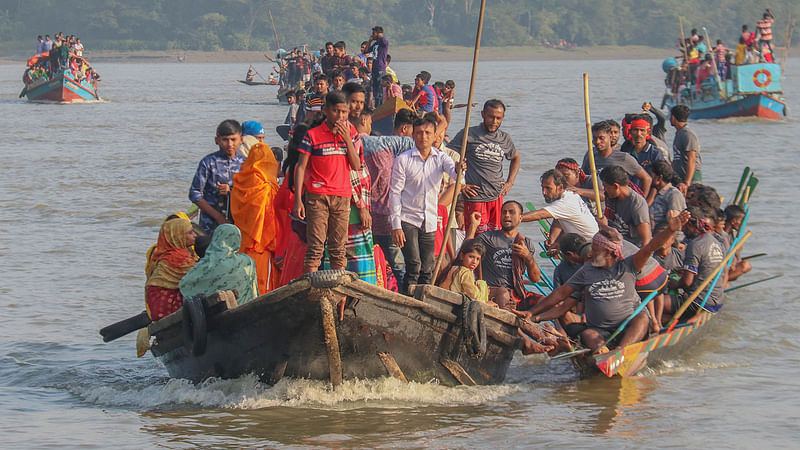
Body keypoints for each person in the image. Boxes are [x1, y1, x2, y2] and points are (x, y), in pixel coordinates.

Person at [518, 211, 689, 354]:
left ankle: (620, 352)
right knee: (588, 334)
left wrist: (670, 230)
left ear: (609, 253)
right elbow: (560, 294)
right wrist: (532, 314)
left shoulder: (629, 265)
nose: (590, 254)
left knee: (643, 319)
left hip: (627, 328)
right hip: (598, 331)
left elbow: (650, 247)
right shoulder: (586, 271)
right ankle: (602, 352)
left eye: (595, 250)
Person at [293, 91, 361, 274]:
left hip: (342, 196)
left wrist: (347, 138)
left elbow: (356, 165)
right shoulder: (313, 135)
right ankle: (312, 293)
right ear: (326, 111)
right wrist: (298, 200)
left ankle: (340, 299)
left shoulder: (351, 132)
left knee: (338, 249)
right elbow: (300, 167)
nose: (340, 116)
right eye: (336, 111)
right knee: (315, 248)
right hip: (318, 196)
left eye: (344, 112)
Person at [390, 114, 458, 293]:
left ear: (436, 135)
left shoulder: (441, 158)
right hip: (407, 218)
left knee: (427, 267)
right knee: (414, 264)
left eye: (428, 133)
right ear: (413, 135)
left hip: (429, 219)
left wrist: (459, 169)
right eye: (419, 133)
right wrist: (396, 225)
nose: (423, 137)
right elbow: (395, 193)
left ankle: (423, 301)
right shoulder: (403, 159)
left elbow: (456, 175)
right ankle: (408, 302)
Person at [362, 109, 415, 288]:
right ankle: (404, 298)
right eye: (369, 123)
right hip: (385, 217)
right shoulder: (381, 146)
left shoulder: (391, 150)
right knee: (399, 266)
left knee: (367, 264)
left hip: (367, 217)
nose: (370, 126)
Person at [451, 99, 520, 234]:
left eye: (498, 118)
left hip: (496, 196)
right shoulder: (468, 134)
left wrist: (510, 182)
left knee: (496, 237)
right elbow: (448, 154)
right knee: (477, 238)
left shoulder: (504, 138)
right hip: (475, 197)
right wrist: (461, 183)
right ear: (483, 115)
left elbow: (515, 158)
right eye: (491, 117)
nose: (494, 121)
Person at [468, 201, 542, 310]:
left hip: (516, 293)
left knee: (549, 302)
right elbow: (466, 250)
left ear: (520, 218)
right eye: (504, 212)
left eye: (511, 212)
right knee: (503, 293)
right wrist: (473, 226)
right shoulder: (488, 238)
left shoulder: (526, 243)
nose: (507, 215)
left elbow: (535, 278)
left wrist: (527, 257)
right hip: (491, 291)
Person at [231, 143, 281, 294]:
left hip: (240, 248)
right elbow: (272, 224)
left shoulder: (239, 184)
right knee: (262, 292)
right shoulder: (267, 188)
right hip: (262, 250)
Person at [663, 207, 726, 321]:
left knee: (655, 303)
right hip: (717, 300)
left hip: (699, 302)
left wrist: (674, 284)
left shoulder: (695, 244)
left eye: (684, 225)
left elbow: (687, 282)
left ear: (691, 225)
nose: (682, 230)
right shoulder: (716, 241)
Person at [189, 120, 247, 234]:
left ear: (241, 140)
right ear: (217, 141)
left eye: (233, 139)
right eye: (225, 140)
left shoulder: (246, 164)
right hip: (210, 225)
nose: (230, 144)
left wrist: (231, 191)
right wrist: (218, 217)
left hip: (239, 224)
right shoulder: (208, 163)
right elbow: (194, 194)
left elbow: (251, 193)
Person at [179, 224, 259, 304]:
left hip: (212, 313)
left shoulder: (207, 264)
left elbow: (185, 285)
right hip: (246, 310)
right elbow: (254, 291)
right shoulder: (247, 262)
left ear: (215, 238)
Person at [521, 169, 599, 250]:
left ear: (560, 187)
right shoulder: (569, 195)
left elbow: (540, 215)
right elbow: (558, 221)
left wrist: (516, 218)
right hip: (580, 243)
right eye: (543, 188)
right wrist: (553, 241)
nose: (544, 192)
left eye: (548, 188)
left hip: (590, 247)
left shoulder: (566, 202)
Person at [144, 217, 198, 320]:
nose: (195, 235)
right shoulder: (175, 257)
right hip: (162, 302)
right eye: (190, 233)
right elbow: (199, 274)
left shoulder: (187, 252)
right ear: (178, 236)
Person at [582, 121, 651, 196]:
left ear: (610, 138)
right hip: (595, 201)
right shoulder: (590, 155)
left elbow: (646, 179)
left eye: (601, 138)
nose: (598, 142)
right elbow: (583, 178)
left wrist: (643, 201)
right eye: (595, 138)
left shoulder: (623, 158)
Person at [600, 166, 652, 247]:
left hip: (631, 247)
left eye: (606, 186)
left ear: (616, 186)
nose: (604, 189)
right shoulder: (611, 198)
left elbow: (646, 239)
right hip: (615, 241)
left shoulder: (637, 204)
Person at [436, 239, 489, 303]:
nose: (474, 262)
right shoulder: (465, 272)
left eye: (477, 259)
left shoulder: (452, 268)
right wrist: (482, 288)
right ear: (462, 256)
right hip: (451, 304)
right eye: (471, 257)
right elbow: (475, 296)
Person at [622, 115, 665, 187]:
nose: (638, 134)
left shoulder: (655, 153)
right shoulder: (626, 152)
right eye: (635, 130)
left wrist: (650, 198)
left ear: (648, 132)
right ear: (630, 132)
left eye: (642, 130)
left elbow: (659, 179)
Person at [670, 105, 702, 193]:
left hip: (690, 178)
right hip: (680, 177)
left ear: (673, 117)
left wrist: (687, 182)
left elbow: (692, 158)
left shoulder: (687, 134)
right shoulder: (679, 133)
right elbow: (677, 157)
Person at [649, 160, 686, 231]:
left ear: (659, 178)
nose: (648, 178)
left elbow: (674, 222)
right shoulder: (656, 193)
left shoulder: (674, 195)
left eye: (650, 175)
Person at [722, 204, 751, 282]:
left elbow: (736, 253)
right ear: (734, 221)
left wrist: (736, 260)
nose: (742, 224)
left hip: (728, 266)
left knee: (746, 265)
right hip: (721, 265)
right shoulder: (722, 234)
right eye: (740, 221)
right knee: (745, 265)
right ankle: (721, 283)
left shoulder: (732, 234)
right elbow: (728, 252)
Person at [368, 26, 389, 106]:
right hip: (374, 69)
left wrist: (378, 34)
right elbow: (366, 51)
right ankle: (377, 107)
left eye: (373, 33)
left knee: (380, 90)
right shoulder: (375, 44)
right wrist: (370, 41)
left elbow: (382, 38)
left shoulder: (384, 43)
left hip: (380, 68)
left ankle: (380, 106)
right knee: (375, 90)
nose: (372, 35)